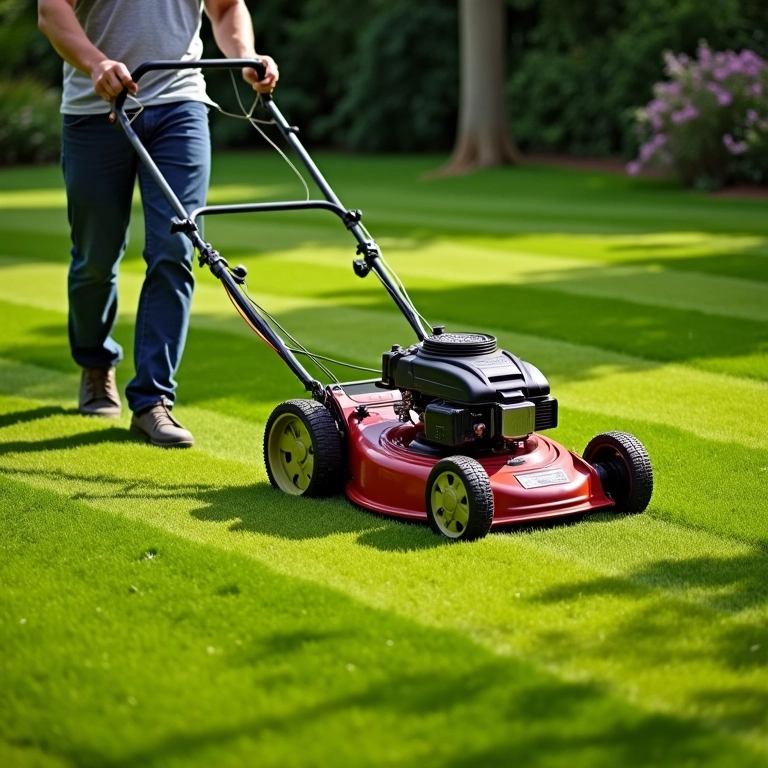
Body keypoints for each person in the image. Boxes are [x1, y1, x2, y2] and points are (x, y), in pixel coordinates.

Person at [37, 0, 278, 448]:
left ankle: (152, 401)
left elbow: (226, 9)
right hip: (95, 111)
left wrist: (245, 53)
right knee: (96, 256)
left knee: (176, 247)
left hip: (179, 105)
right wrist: (96, 63)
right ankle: (95, 363)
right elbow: (51, 12)